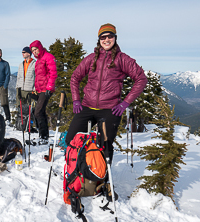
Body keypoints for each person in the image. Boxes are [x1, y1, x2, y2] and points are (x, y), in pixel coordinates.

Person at [65, 23, 148, 162]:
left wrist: (125, 103)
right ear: (99, 40)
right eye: (103, 37)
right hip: (87, 106)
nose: (106, 39)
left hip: (110, 109)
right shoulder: (91, 58)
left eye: (110, 36)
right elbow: (75, 77)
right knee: (72, 139)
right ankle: (78, 172)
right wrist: (76, 100)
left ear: (115, 38)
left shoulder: (122, 59)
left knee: (105, 145)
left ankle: (102, 178)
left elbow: (141, 79)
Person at [29, 40, 58, 145]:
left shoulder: (48, 57)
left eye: (36, 49)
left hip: (46, 89)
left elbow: (53, 73)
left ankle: (43, 136)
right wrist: (35, 89)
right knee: (40, 112)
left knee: (38, 112)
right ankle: (44, 135)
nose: (35, 52)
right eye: (33, 51)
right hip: (40, 90)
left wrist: (49, 87)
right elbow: (39, 77)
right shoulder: (38, 61)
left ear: (40, 48)